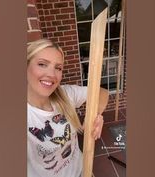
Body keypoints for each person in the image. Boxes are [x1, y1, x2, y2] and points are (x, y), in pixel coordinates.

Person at [27, 39, 109, 177]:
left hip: (83, 171)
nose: (52, 75)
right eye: (42, 64)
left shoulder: (65, 94)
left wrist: (96, 115)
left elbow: (102, 93)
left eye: (58, 68)